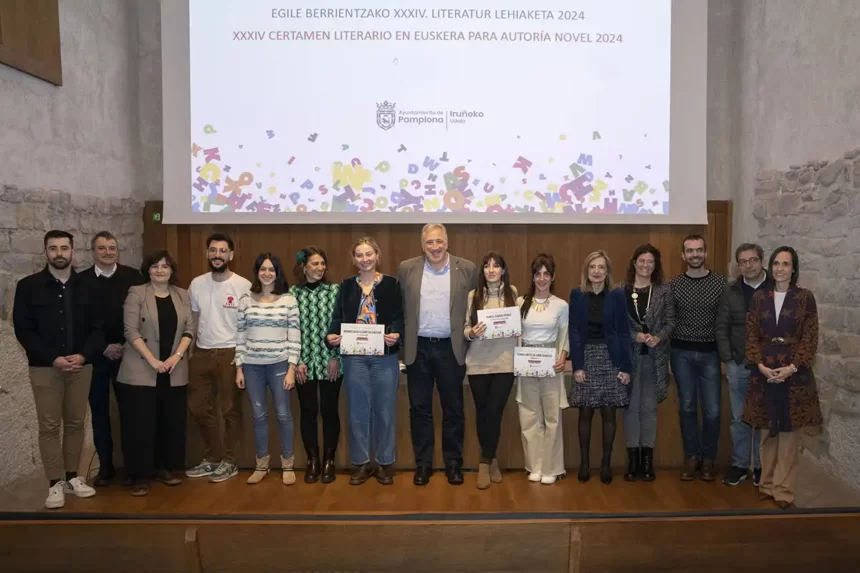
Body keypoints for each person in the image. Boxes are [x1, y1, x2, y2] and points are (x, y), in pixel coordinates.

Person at [13, 230, 102, 509]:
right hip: (45, 368)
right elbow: (24, 330)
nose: (59, 253)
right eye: (54, 248)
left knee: (76, 423)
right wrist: (53, 358)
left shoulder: (88, 286)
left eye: (64, 248)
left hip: (81, 366)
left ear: (73, 251)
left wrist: (83, 354)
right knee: (50, 426)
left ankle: (73, 476)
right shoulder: (28, 286)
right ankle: (55, 483)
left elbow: (99, 328)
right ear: (46, 251)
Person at [398, 224, 478, 486]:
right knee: (419, 409)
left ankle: (453, 464)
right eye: (430, 242)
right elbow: (400, 309)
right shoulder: (406, 268)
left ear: (447, 242)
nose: (435, 247)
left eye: (439, 242)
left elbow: (475, 307)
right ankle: (423, 464)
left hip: (450, 348)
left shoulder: (466, 268)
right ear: (423, 245)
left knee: (453, 409)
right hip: (417, 349)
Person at [743, 247, 821, 509]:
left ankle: (784, 490)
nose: (780, 268)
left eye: (785, 264)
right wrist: (760, 364)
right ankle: (766, 484)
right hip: (764, 370)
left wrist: (793, 367)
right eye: (776, 263)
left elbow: (810, 337)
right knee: (767, 431)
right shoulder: (759, 297)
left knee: (788, 435)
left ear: (793, 268)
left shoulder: (805, 298)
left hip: (793, 374)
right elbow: (751, 333)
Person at [116, 250, 195, 496]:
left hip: (173, 369)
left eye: (165, 266)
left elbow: (190, 329)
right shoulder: (136, 293)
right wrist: (153, 360)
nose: (160, 270)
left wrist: (175, 357)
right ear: (147, 269)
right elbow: (130, 331)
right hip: (141, 369)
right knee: (140, 425)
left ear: (172, 270)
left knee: (169, 422)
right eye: (155, 266)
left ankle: (164, 468)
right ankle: (139, 475)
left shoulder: (182, 295)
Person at [328, 237, 404, 485]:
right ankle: (360, 463)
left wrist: (395, 334)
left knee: (384, 411)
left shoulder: (392, 284)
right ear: (354, 260)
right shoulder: (347, 285)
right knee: (358, 411)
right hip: (354, 357)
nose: (365, 259)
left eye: (369, 254)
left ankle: (384, 463)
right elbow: (337, 316)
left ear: (377, 255)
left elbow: (398, 317)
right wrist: (331, 334)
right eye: (359, 255)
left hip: (385, 357)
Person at [80, 230, 144, 487]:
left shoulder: (133, 277)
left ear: (118, 250)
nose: (107, 252)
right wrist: (102, 347)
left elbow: (141, 315)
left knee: (130, 413)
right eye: (102, 248)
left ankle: (132, 468)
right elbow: (79, 322)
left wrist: (124, 345)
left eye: (111, 248)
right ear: (93, 252)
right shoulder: (80, 281)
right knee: (99, 413)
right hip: (96, 358)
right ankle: (106, 467)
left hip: (128, 354)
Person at [186, 233, 252, 483]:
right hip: (201, 352)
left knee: (230, 410)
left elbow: (247, 324)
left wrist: (242, 358)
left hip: (231, 353)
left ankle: (229, 461)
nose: (217, 255)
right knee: (199, 408)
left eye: (223, 251)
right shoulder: (197, 283)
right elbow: (193, 319)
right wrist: (190, 351)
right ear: (207, 254)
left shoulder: (243, 285)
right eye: (213, 250)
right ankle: (212, 457)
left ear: (231, 255)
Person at [235, 253, 301, 486]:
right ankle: (261, 464)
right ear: (257, 272)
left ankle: (288, 464)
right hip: (252, 366)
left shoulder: (288, 300)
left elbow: (294, 336)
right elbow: (240, 335)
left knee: (283, 415)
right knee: (258, 415)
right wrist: (239, 367)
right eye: (262, 269)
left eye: (271, 269)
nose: (266, 273)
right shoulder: (246, 299)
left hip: (279, 364)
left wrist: (292, 367)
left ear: (277, 273)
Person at [569, 250, 632, 484]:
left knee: (609, 413)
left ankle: (606, 464)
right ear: (587, 270)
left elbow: (624, 332)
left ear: (607, 272)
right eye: (593, 267)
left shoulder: (617, 295)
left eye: (601, 267)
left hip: (610, 357)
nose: (596, 271)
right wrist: (577, 365)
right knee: (585, 412)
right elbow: (574, 331)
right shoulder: (577, 294)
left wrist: (625, 366)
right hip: (586, 357)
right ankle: (585, 463)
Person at [669, 234, 727, 481]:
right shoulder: (673, 285)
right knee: (688, 407)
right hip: (681, 353)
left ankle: (709, 459)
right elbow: (669, 320)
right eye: (690, 251)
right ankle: (692, 456)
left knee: (713, 411)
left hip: (710, 354)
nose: (695, 254)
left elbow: (726, 321)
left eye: (699, 250)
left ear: (705, 253)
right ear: (683, 255)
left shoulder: (721, 283)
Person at [463, 251, 518, 489]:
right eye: (487, 266)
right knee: (483, 412)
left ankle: (484, 462)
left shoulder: (512, 293)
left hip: (505, 362)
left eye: (496, 266)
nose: (491, 270)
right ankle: (491, 458)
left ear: (503, 270)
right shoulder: (473, 296)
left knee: (495, 411)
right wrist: (470, 332)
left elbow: (518, 328)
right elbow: (466, 327)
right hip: (478, 363)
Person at [619, 244, 674, 482]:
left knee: (649, 410)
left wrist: (658, 337)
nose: (645, 265)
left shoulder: (663, 291)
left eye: (650, 261)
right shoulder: (620, 291)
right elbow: (616, 326)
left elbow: (672, 321)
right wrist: (635, 337)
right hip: (629, 360)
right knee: (631, 409)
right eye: (641, 261)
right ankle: (633, 461)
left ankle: (647, 461)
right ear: (634, 263)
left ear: (656, 265)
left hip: (655, 359)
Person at [716, 243, 769, 487]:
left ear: (761, 261)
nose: (748, 265)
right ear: (738, 265)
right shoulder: (731, 290)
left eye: (753, 260)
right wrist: (727, 358)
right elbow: (721, 326)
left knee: (762, 417)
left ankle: (760, 467)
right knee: (739, 418)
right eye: (743, 261)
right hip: (738, 363)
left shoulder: (776, 288)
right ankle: (739, 464)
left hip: (767, 367)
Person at [289, 246, 342, 484]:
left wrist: (336, 357)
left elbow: (342, 326)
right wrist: (297, 362)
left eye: (322, 264)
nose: (319, 268)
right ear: (303, 267)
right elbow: (289, 330)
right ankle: (313, 460)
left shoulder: (334, 291)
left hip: (331, 362)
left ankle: (330, 460)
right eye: (314, 264)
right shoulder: (292, 294)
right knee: (308, 412)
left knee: (329, 411)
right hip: (303, 365)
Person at [516, 253, 569, 485]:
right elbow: (516, 334)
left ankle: (552, 467)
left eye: (546, 274)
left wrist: (562, 357)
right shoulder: (520, 302)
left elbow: (564, 336)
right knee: (529, 416)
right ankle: (535, 466)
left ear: (553, 276)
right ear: (532, 276)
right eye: (538, 274)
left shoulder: (561, 305)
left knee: (552, 416)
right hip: (527, 362)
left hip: (550, 364)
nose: (542, 278)